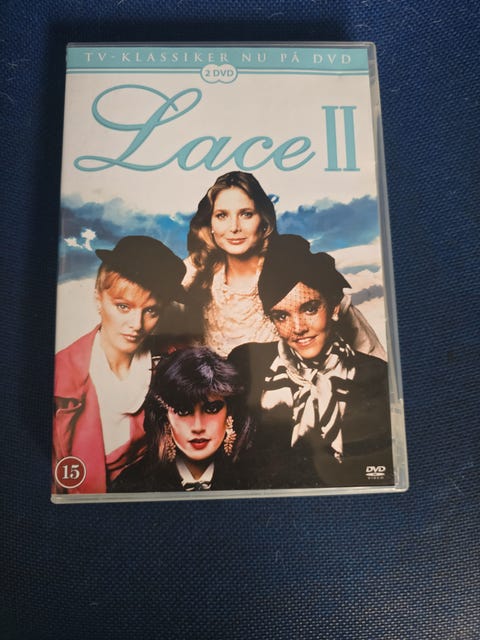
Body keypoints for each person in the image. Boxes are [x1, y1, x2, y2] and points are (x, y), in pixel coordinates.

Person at [229, 235, 394, 489]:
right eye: (281, 316)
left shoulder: (377, 375)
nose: (298, 328)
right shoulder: (245, 363)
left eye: (309, 309)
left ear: (334, 307)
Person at [185, 170, 386, 360]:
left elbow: (373, 356)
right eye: (222, 215)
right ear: (210, 225)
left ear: (264, 221)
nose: (234, 227)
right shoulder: (197, 272)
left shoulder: (296, 269)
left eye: (246, 214)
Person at [52, 235, 187, 494]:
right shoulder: (61, 375)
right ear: (98, 298)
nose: (136, 325)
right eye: (123, 306)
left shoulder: (174, 362)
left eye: (151, 311)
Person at [111, 347, 254, 492]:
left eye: (211, 410)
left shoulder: (256, 479)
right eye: (183, 411)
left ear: (230, 414)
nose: (198, 427)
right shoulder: (130, 485)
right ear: (165, 418)